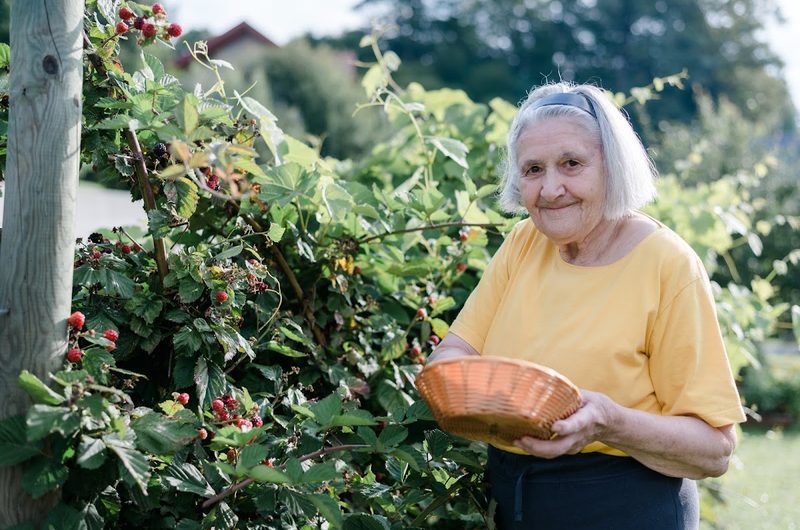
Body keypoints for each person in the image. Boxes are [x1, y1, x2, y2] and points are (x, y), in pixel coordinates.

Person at [427, 82, 746, 529]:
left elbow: (714, 449)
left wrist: (609, 423)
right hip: (515, 501)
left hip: (626, 507)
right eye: (533, 169)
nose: (550, 188)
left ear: (613, 167)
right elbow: (457, 351)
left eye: (571, 164)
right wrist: (451, 379)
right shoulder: (524, 242)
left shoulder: (667, 264)